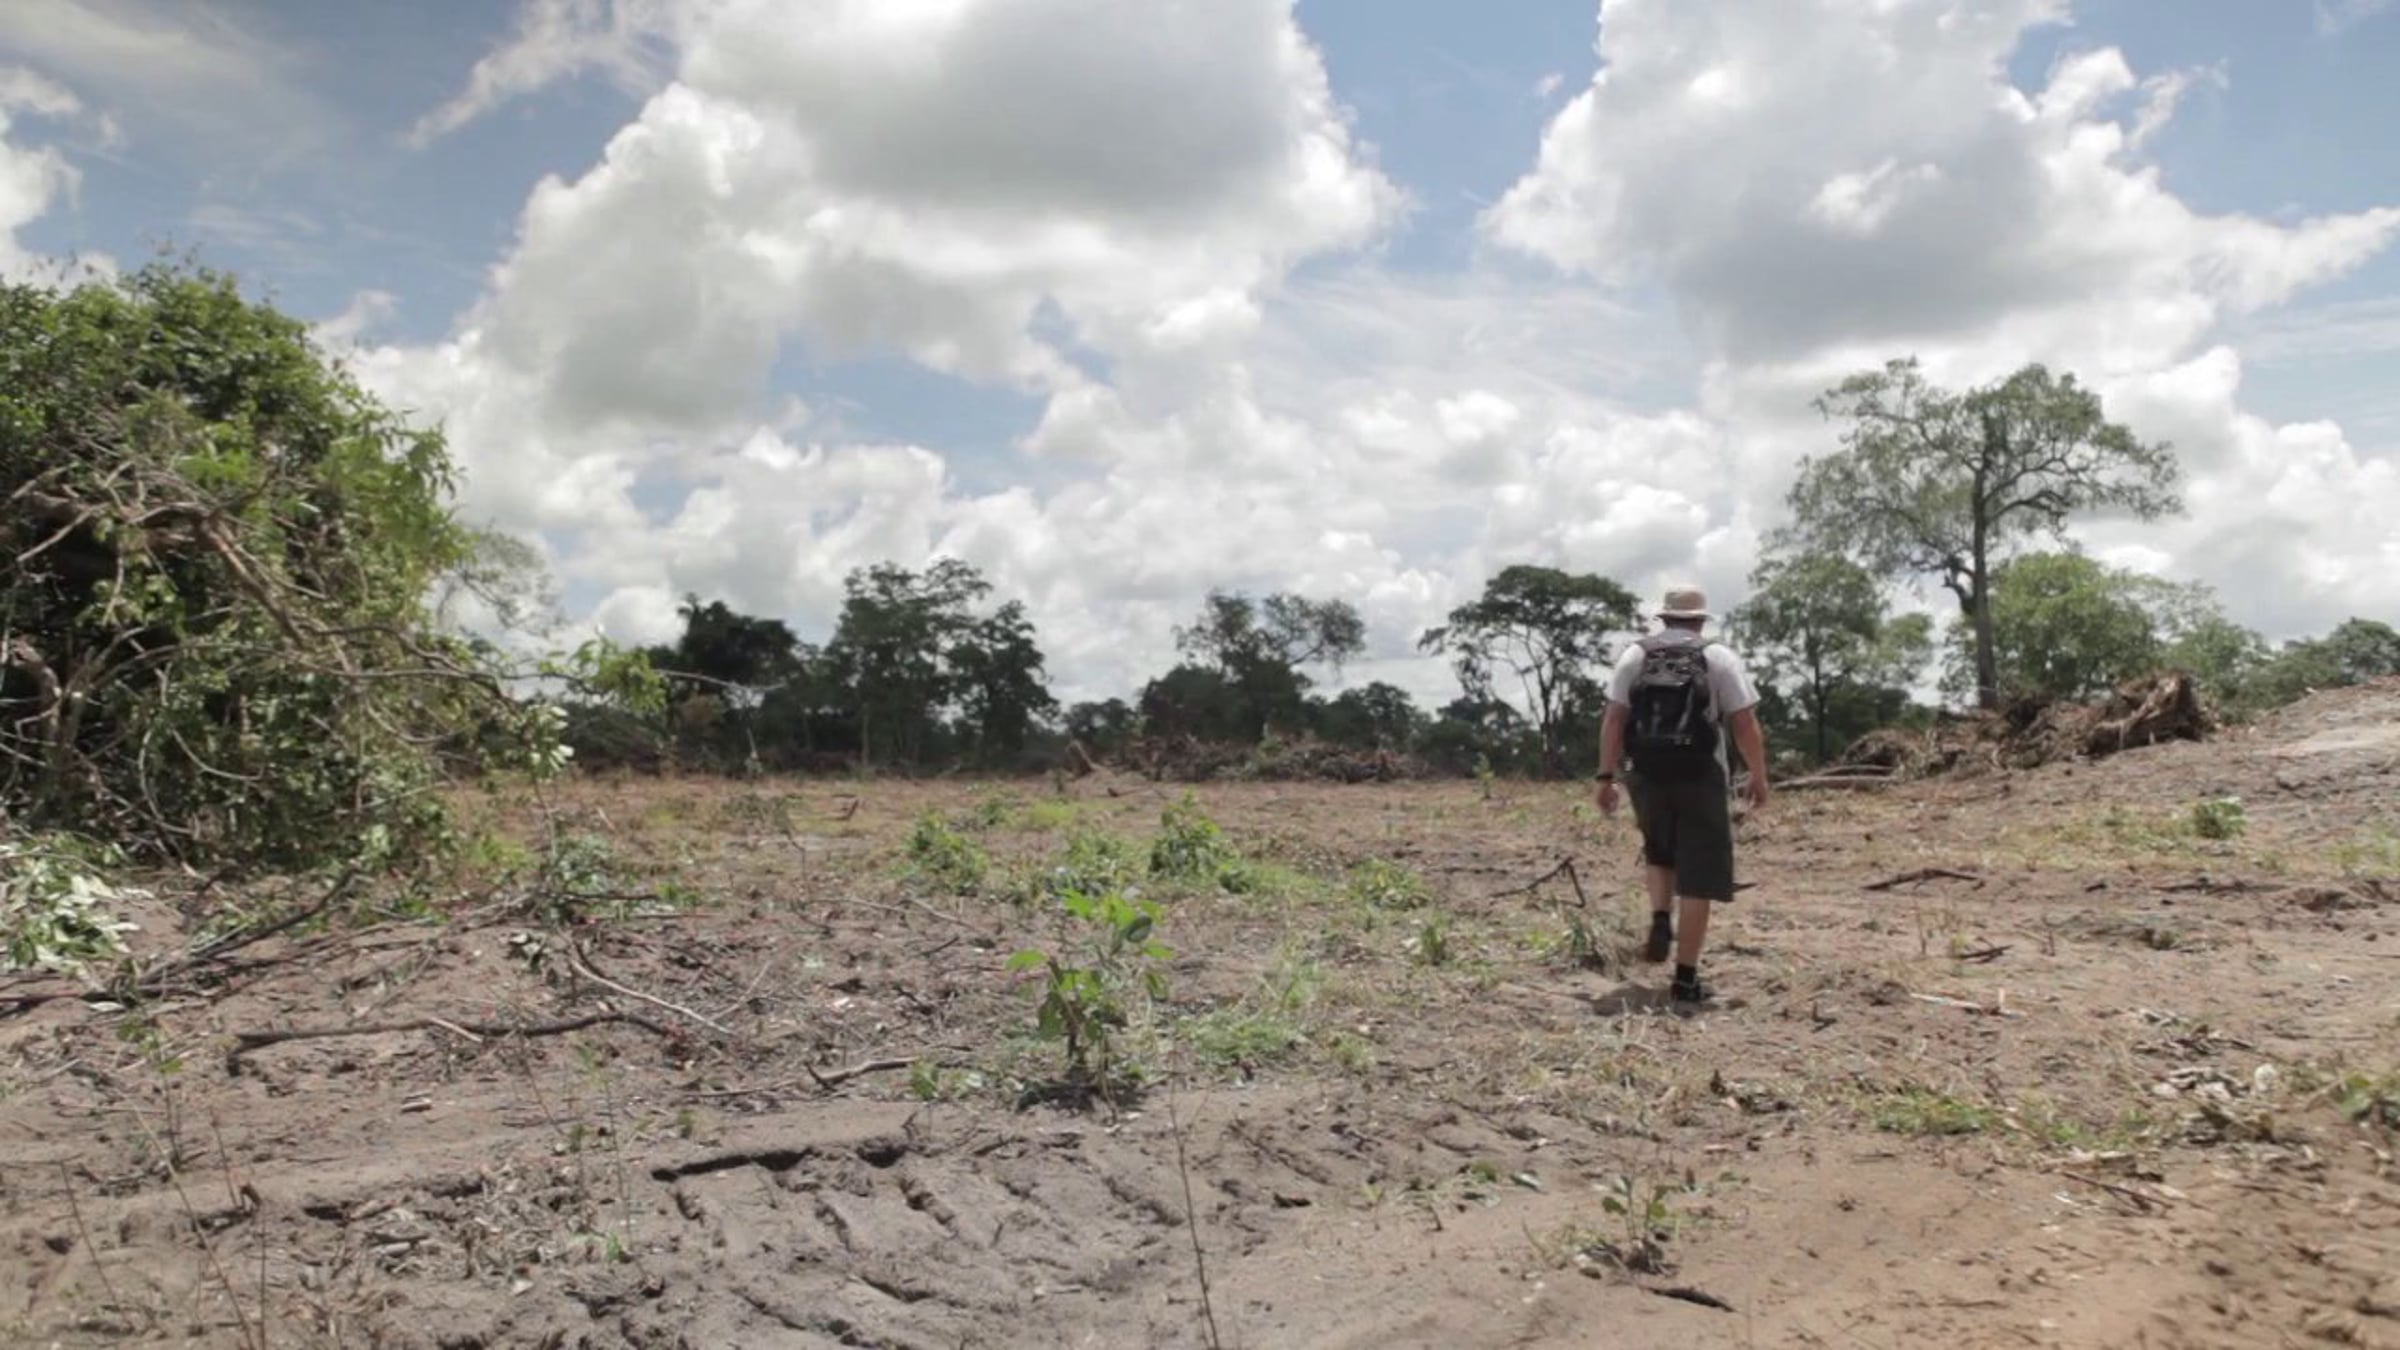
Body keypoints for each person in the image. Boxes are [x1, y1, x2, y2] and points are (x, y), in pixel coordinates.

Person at [1595, 586, 1770, 1005]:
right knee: (1699, 876)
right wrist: (1758, 774)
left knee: (1659, 850)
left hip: (1646, 773)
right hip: (1701, 774)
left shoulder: (1635, 656)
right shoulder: (1718, 657)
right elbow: (1744, 722)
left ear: (1664, 618)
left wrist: (1605, 777)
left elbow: (1614, 719)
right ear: (1701, 620)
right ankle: (1686, 980)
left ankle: (1660, 915)